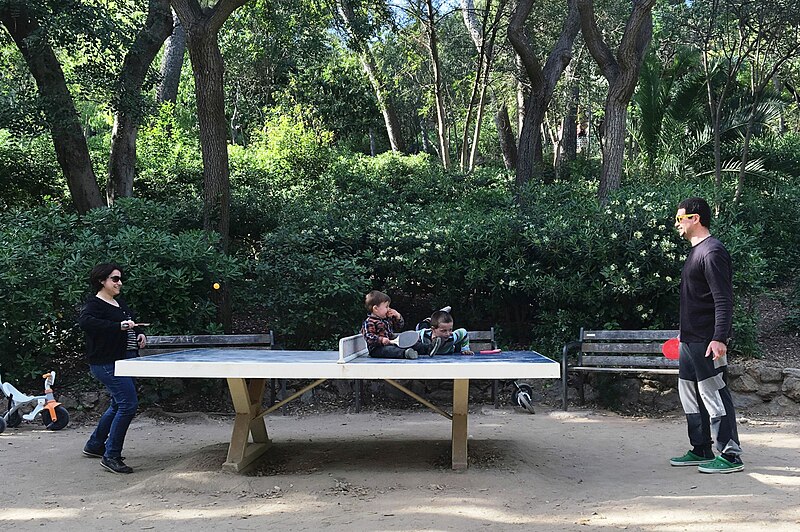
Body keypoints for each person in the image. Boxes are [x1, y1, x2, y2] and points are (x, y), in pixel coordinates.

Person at [669, 198, 743, 473]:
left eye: (680, 218)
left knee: (713, 394)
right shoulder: (695, 252)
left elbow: (723, 300)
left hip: (707, 340)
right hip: (689, 340)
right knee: (689, 394)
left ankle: (730, 455)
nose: (677, 224)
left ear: (695, 218)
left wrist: (719, 338)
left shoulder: (712, 252)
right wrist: (682, 335)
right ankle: (701, 447)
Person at [78, 263, 146, 474]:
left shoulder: (119, 304)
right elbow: (86, 323)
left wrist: (140, 334)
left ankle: (95, 445)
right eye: (115, 279)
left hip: (123, 362)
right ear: (102, 281)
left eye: (120, 279)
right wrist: (118, 327)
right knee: (128, 404)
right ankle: (111, 456)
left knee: (118, 404)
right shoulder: (94, 305)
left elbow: (129, 325)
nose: (119, 283)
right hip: (106, 364)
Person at [360, 290, 434, 359]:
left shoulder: (387, 319)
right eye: (386, 307)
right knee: (391, 350)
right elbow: (368, 336)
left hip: (392, 341)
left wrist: (397, 316)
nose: (389, 309)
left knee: (406, 340)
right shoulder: (369, 322)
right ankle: (406, 353)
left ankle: (428, 348)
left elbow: (399, 327)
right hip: (377, 349)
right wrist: (381, 340)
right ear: (375, 308)